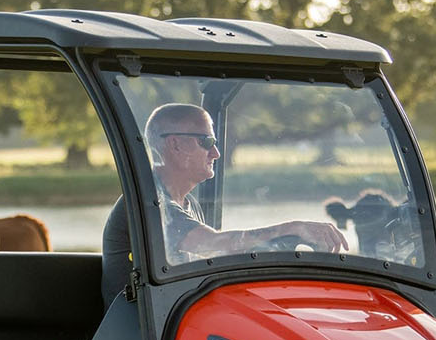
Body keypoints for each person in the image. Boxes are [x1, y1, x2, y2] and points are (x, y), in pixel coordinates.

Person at [100, 103, 347, 301]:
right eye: (207, 142)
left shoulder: (187, 204)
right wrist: (293, 228)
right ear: (175, 144)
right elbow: (215, 244)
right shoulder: (150, 203)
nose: (216, 153)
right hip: (137, 336)